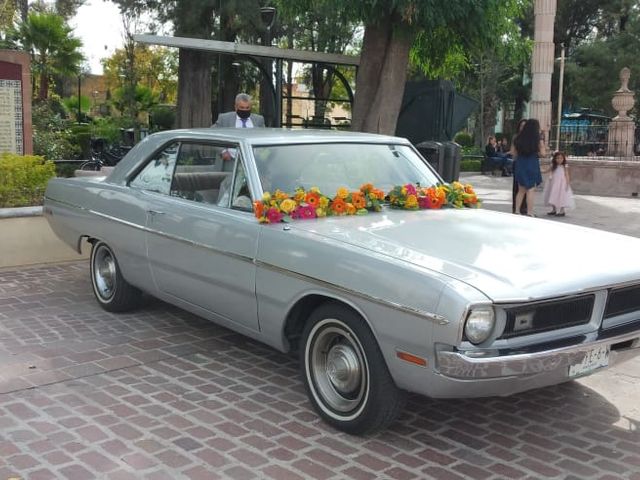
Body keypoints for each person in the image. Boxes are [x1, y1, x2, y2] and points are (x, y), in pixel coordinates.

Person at [513, 118, 545, 217]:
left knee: (521, 189)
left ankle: (517, 211)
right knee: (530, 189)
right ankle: (529, 212)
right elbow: (543, 154)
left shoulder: (518, 138)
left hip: (521, 164)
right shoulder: (538, 139)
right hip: (532, 164)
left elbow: (514, 154)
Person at [543, 150, 574, 217]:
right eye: (557, 158)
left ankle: (562, 211)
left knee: (562, 195)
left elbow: (567, 174)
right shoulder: (553, 165)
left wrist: (567, 183)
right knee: (553, 195)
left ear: (563, 159)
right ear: (555, 159)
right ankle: (553, 209)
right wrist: (541, 171)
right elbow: (547, 171)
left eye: (561, 158)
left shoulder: (564, 166)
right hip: (553, 183)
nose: (559, 160)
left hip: (562, 183)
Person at [511, 119, 528, 214]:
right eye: (521, 126)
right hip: (518, 162)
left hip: (527, 163)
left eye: (525, 126)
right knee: (517, 186)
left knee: (527, 186)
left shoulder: (531, 138)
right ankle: (516, 208)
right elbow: (513, 151)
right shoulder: (516, 137)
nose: (523, 128)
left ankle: (524, 207)